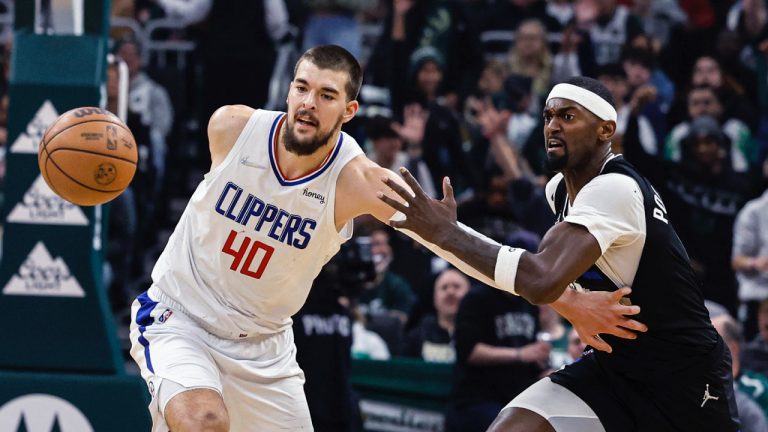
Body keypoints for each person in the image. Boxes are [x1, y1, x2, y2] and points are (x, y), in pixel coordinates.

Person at [129, 46, 644, 431]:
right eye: (302, 88)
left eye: (327, 95)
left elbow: (450, 241)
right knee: (202, 420)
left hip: (263, 346)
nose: (309, 103)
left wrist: (567, 299)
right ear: (289, 89)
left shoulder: (356, 180)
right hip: (182, 318)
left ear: (348, 111)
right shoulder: (232, 128)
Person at [378, 76, 740, 431]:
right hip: (614, 368)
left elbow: (537, 280)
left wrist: (445, 234)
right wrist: (443, 234)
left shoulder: (615, 188)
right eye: (548, 116)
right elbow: (517, 266)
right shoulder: (559, 192)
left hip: (684, 377)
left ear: (605, 130)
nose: (553, 126)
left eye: (568, 117)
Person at [400, 267, 470, 362]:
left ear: (470, 293)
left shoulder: (483, 334)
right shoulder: (416, 336)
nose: (450, 292)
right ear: (434, 298)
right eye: (444, 287)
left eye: (456, 287)